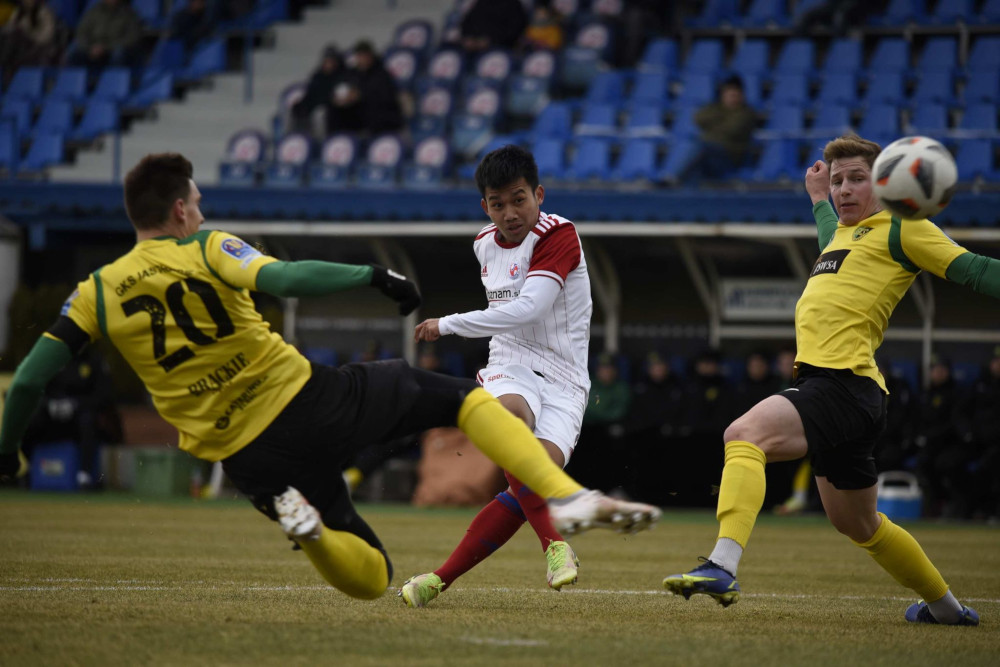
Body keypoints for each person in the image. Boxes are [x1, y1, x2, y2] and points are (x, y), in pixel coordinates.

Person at [0, 153, 660, 601]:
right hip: (305, 398)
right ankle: (567, 504)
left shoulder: (97, 290)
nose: (199, 211)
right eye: (196, 202)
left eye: (517, 199)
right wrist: (373, 276)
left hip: (243, 456)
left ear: (537, 196)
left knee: (369, 574)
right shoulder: (208, 246)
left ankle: (312, 532)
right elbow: (284, 277)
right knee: (462, 402)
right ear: (179, 211)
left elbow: (28, 380)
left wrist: (6, 451)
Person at [663, 134, 990, 626]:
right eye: (839, 181)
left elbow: (974, 270)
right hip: (852, 394)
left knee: (743, 434)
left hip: (841, 384)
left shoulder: (905, 229)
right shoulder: (842, 236)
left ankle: (721, 565)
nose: (844, 189)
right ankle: (947, 610)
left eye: (858, 179)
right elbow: (829, 237)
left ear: (886, 183)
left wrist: (830, 196)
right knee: (858, 523)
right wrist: (817, 197)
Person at [400, 144, 600, 607]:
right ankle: (555, 544)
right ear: (484, 206)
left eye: (519, 199)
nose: (509, 212)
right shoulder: (482, 244)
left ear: (539, 194)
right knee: (511, 421)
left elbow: (528, 307)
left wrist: (445, 324)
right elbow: (511, 323)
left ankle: (438, 579)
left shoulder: (561, 235)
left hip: (567, 377)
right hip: (510, 360)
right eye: (498, 203)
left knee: (532, 479)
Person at [675, 75, 757, 185]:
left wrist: (712, 126)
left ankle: (676, 180)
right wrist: (721, 120)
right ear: (723, 95)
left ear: (742, 96)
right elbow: (698, 118)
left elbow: (732, 130)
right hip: (711, 155)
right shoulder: (716, 108)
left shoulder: (746, 113)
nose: (732, 99)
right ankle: (683, 192)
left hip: (730, 158)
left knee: (701, 148)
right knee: (697, 156)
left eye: (735, 95)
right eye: (729, 95)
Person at [334, 41, 403, 137]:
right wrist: (341, 98)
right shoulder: (351, 73)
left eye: (365, 55)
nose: (363, 59)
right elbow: (342, 87)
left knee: (374, 109)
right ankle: (340, 139)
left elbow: (385, 96)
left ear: (371, 56)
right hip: (358, 112)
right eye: (360, 55)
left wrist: (360, 95)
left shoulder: (382, 73)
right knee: (336, 109)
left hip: (382, 114)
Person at [289, 45, 351, 137]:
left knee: (320, 113)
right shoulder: (317, 76)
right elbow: (310, 94)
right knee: (296, 108)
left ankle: (321, 142)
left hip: (333, 108)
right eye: (327, 61)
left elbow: (340, 96)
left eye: (331, 61)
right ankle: (295, 138)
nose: (328, 64)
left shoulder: (343, 76)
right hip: (315, 103)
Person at [64, 0, 142, 70]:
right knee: (73, 49)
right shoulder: (94, 11)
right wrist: (90, 47)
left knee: (118, 53)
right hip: (92, 46)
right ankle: (73, 81)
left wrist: (106, 48)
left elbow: (132, 37)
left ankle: (113, 81)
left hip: (114, 47)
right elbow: (81, 32)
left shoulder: (129, 13)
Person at [0, 0, 59, 74]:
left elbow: (44, 37)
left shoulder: (44, 12)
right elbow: (8, 29)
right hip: (18, 53)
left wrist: (26, 28)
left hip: (38, 52)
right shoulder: (18, 12)